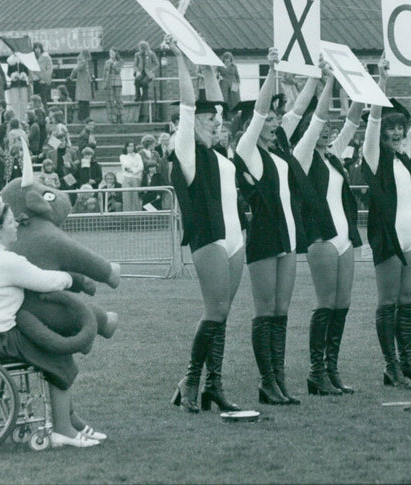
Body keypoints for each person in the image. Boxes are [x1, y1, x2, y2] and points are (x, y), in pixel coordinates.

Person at [0, 201, 103, 448]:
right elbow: (46, 281)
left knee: (52, 351)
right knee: (59, 356)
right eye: (12, 221)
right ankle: (63, 430)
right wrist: (72, 277)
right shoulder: (4, 260)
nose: (17, 225)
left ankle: (70, 419)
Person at [167, 34, 243, 413]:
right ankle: (190, 378)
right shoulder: (186, 149)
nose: (216, 122)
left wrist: (210, 66)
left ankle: (214, 384)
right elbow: (186, 104)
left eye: (217, 118)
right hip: (209, 237)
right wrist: (181, 58)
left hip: (234, 238)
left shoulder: (219, 152)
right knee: (214, 311)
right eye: (209, 118)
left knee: (223, 313)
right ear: (193, 123)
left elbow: (212, 99)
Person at [235, 47, 310, 405]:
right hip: (264, 236)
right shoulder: (248, 150)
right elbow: (259, 112)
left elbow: (294, 114)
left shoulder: (279, 152)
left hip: (289, 236)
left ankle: (279, 381)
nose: (275, 122)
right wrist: (271, 70)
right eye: (270, 119)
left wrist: (315, 80)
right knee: (265, 311)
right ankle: (267, 381)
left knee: (281, 312)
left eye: (276, 120)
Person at [362, 57, 411, 390]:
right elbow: (374, 121)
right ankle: (390, 365)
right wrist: (382, 81)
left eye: (399, 127)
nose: (395, 132)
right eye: (390, 127)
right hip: (388, 236)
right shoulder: (373, 157)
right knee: (387, 302)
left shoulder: (406, 152)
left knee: (408, 302)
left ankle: (407, 363)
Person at [291, 63, 363, 395]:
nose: (325, 131)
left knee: (342, 303)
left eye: (326, 129)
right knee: (325, 302)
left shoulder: (334, 156)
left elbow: (352, 120)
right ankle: (315, 372)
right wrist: (329, 79)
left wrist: (360, 81)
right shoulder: (303, 155)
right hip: (321, 237)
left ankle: (331, 369)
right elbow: (318, 118)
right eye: (319, 128)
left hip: (345, 237)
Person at [133, 41, 158, 122]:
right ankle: (138, 95)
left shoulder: (151, 54)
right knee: (137, 80)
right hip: (141, 72)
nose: (140, 50)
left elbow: (157, 64)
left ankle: (145, 97)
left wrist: (152, 71)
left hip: (148, 73)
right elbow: (135, 65)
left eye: (141, 48)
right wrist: (137, 71)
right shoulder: (137, 55)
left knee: (144, 83)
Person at [6, 53, 30, 124]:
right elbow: (8, 73)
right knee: (15, 102)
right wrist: (13, 75)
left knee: (24, 102)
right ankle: (16, 118)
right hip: (14, 84)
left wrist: (24, 75)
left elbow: (27, 72)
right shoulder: (10, 61)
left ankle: (23, 119)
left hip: (23, 83)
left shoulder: (24, 59)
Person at [119, 141, 143, 212]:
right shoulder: (122, 156)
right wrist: (134, 165)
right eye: (129, 146)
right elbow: (126, 165)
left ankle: (137, 214)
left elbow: (141, 167)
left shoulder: (138, 155)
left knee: (135, 198)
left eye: (132, 146)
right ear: (126, 147)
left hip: (136, 178)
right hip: (126, 178)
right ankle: (127, 215)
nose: (130, 148)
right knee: (127, 198)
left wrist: (132, 170)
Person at [70, 51, 93, 123]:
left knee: (82, 103)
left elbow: (75, 69)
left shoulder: (82, 62)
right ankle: (85, 118)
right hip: (85, 84)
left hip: (83, 84)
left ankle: (82, 118)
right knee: (85, 103)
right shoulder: (85, 62)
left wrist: (71, 77)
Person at [103, 48, 124, 123]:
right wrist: (104, 82)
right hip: (109, 82)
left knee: (118, 100)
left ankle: (120, 116)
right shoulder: (107, 62)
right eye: (110, 52)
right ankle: (113, 118)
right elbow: (105, 73)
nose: (111, 54)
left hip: (117, 82)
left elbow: (118, 70)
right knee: (110, 101)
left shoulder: (119, 61)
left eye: (112, 52)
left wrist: (113, 64)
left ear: (116, 53)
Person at [31, 43, 54, 107]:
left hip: (43, 81)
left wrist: (45, 79)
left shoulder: (46, 57)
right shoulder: (32, 58)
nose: (37, 50)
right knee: (34, 99)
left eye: (39, 48)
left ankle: (44, 114)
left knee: (43, 100)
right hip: (34, 81)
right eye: (36, 48)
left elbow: (49, 69)